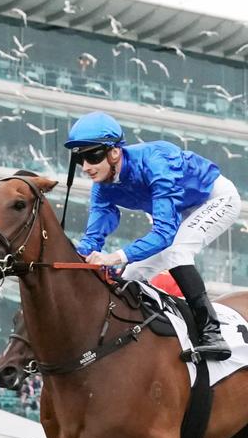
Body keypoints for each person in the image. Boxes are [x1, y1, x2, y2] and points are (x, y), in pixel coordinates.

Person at [65, 111, 239, 359]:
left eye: (91, 156)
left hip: (216, 198)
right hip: (181, 212)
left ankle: (212, 334)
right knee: (131, 274)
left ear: (114, 152)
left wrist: (115, 257)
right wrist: (72, 260)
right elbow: (92, 240)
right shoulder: (102, 188)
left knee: (178, 252)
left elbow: (165, 233)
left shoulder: (157, 160)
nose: (86, 167)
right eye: (80, 159)